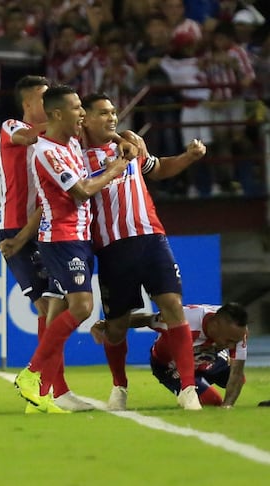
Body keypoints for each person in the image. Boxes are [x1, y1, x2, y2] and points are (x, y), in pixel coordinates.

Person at [80, 92, 206, 411]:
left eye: (113, 112)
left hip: (152, 238)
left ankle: (188, 388)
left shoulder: (132, 144)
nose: (112, 118)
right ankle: (119, 387)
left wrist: (188, 157)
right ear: (85, 118)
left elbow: (159, 168)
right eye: (104, 113)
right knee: (117, 325)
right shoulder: (75, 155)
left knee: (172, 306)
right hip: (111, 247)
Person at [13, 85, 129, 414]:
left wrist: (122, 139)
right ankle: (32, 374)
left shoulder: (72, 143)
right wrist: (113, 170)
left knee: (57, 312)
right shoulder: (46, 151)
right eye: (77, 108)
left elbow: (100, 144)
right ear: (57, 114)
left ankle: (44, 394)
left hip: (78, 237)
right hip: (62, 239)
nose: (82, 113)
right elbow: (81, 190)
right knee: (81, 307)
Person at [0, 75, 93, 413]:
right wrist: (58, 127)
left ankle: (52, 389)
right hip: (14, 226)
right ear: (28, 104)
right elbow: (24, 137)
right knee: (46, 308)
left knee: (56, 306)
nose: (48, 99)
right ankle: (44, 385)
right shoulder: (13, 126)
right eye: (43, 97)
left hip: (46, 224)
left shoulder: (61, 144)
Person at [92, 303, 248, 409]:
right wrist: (107, 324)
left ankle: (200, 381)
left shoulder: (238, 333)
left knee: (239, 380)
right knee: (212, 401)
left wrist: (227, 406)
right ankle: (187, 387)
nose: (232, 346)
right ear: (215, 325)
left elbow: (236, 373)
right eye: (229, 340)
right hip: (169, 366)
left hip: (206, 358)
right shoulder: (185, 320)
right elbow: (147, 319)